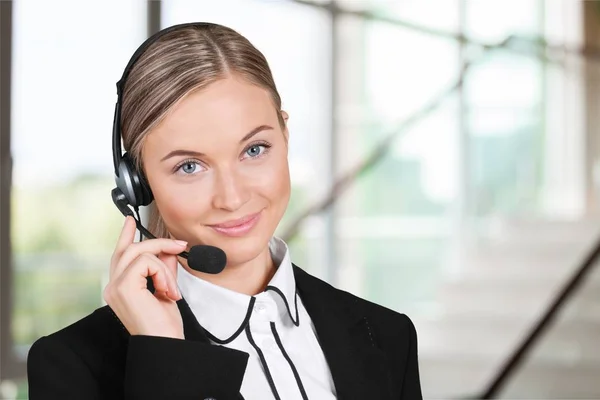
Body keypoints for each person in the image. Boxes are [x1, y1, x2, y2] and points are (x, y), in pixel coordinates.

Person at [26, 22, 422, 400]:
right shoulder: (72, 365)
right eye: (189, 167)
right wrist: (164, 360)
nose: (231, 198)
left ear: (284, 134)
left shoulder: (387, 336)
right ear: (139, 184)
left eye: (254, 150)